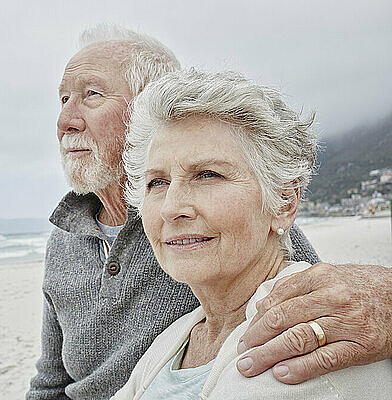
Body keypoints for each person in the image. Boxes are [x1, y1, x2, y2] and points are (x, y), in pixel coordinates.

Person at [26, 24, 392, 400]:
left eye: (91, 95)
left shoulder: (230, 225)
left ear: (145, 103)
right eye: (63, 99)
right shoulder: (67, 239)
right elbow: (51, 382)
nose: (64, 121)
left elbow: (315, 290)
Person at [111, 68, 392, 399]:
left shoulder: (301, 337)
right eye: (156, 182)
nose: (171, 208)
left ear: (284, 203)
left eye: (207, 175)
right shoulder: (178, 338)